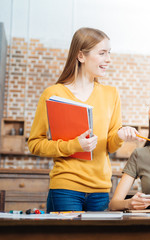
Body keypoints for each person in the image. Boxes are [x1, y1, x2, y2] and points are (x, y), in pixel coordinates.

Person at [28, 27, 142, 212]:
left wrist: (119, 136)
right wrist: (74, 145)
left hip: (101, 190)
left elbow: (110, 147)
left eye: (109, 53)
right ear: (81, 56)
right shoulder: (54, 94)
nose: (108, 59)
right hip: (66, 188)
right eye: (102, 53)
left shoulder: (111, 94)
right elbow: (35, 144)